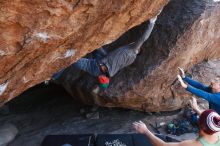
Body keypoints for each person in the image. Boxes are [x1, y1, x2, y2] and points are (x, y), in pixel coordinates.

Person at [50, 11, 161, 88]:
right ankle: (91, 49)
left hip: (98, 68)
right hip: (103, 66)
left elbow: (143, 38)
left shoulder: (133, 50)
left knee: (71, 59)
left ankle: (54, 76)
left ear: (138, 49)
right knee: (96, 51)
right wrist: (98, 47)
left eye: (136, 44)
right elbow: (113, 59)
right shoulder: (129, 58)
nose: (133, 43)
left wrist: (152, 22)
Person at [133, 102, 220, 146]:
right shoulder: (217, 129)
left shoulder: (192, 144)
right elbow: (209, 121)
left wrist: (145, 131)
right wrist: (197, 109)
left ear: (200, 124)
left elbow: (163, 145)